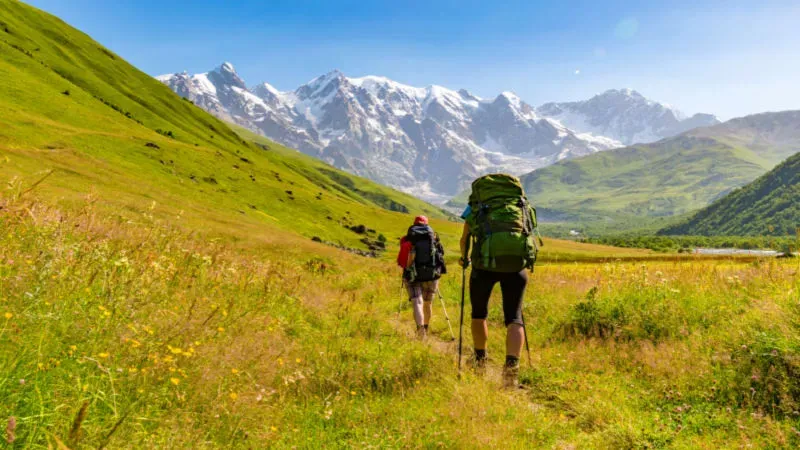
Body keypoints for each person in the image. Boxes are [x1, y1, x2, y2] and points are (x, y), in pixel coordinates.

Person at [458, 174, 539, 388]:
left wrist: (464, 258)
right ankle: (511, 371)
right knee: (515, 317)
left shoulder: (475, 206)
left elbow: (465, 238)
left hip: (483, 266)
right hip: (516, 266)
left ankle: (480, 360)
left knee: (479, 314)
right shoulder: (521, 205)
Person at [397, 215, 446, 338]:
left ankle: (420, 332)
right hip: (431, 276)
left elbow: (403, 260)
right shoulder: (434, 238)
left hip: (413, 276)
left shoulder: (407, 239)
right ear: (427, 224)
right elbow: (440, 256)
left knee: (417, 302)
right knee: (427, 303)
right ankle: (426, 328)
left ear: (414, 224)